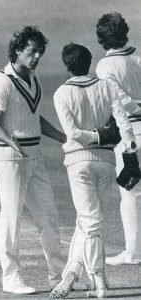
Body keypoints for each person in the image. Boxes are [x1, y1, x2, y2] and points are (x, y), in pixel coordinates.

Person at [50, 43, 137, 299]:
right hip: (107, 161)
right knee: (89, 221)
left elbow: (73, 134)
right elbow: (123, 122)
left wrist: (93, 137)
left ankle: (97, 280)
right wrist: (128, 150)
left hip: (78, 162)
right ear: (89, 63)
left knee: (90, 222)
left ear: (67, 67)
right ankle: (77, 271)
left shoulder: (60, 93)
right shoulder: (107, 86)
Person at [0, 25, 68, 295]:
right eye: (32, 52)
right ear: (18, 50)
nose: (36, 57)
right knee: (11, 219)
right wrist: (11, 142)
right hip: (9, 159)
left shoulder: (34, 79)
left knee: (49, 216)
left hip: (35, 157)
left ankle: (59, 277)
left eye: (40, 53)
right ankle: (11, 279)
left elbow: (35, 118)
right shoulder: (0, 82)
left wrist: (64, 137)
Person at [96, 12, 141, 265]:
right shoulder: (139, 55)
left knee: (131, 194)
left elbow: (119, 102)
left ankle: (133, 253)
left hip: (129, 134)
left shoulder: (104, 66)